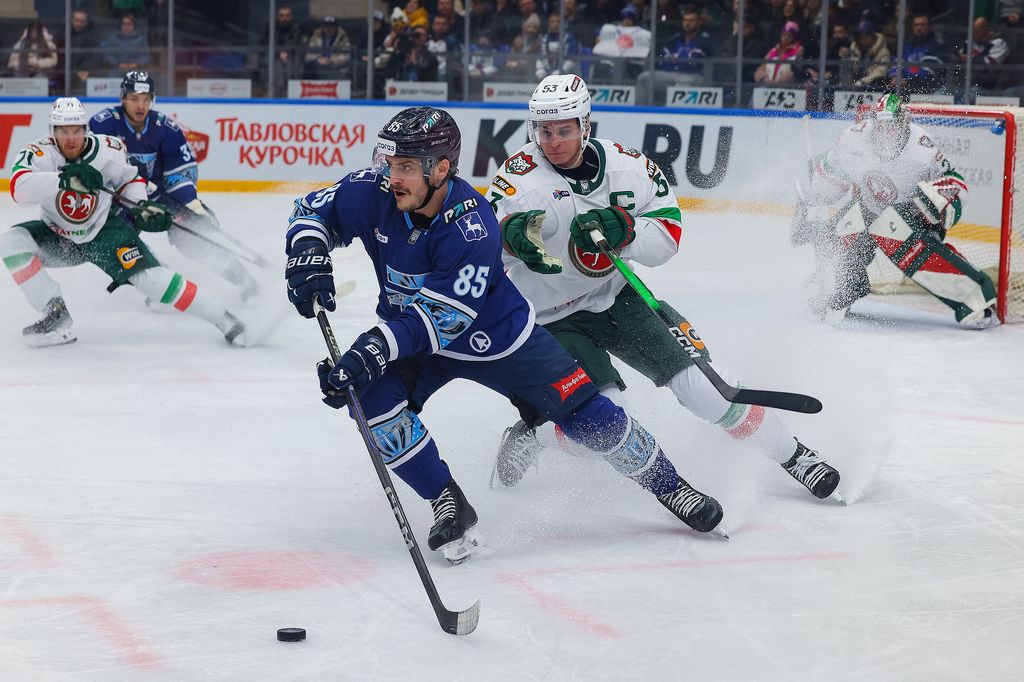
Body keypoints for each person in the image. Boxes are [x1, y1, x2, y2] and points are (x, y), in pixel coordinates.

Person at [284, 107, 727, 564]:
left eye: (406, 167)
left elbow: (445, 318)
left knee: (591, 418)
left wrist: (375, 347)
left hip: (498, 339)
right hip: (413, 340)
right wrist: (308, 251)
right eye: (391, 164)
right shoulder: (373, 191)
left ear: (440, 169)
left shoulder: (471, 223)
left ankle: (672, 487)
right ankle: (446, 500)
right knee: (369, 400)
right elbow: (312, 210)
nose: (392, 177)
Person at [486, 74, 840, 503]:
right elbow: (487, 247)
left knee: (708, 390)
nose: (553, 141)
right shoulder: (518, 180)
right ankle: (535, 436)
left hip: (619, 296)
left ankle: (793, 455)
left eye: (564, 130)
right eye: (545, 131)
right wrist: (509, 241)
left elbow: (668, 235)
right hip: (552, 320)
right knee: (602, 427)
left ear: (585, 125)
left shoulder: (628, 167)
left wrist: (629, 231)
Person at [0, 97, 246, 348]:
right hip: (58, 237)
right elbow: (19, 188)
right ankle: (55, 315)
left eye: (76, 131)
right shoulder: (38, 153)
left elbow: (130, 179)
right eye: (64, 131)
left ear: (86, 129)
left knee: (152, 280)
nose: (71, 138)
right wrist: (62, 180)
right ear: (52, 131)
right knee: (9, 242)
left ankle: (223, 318)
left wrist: (140, 207)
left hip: (103, 232)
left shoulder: (109, 149)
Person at [791, 93, 997, 328]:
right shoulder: (854, 138)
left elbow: (953, 181)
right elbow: (831, 173)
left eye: (892, 126)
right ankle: (840, 288)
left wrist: (941, 199)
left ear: (904, 123)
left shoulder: (923, 147)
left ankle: (976, 300)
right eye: (881, 127)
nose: (886, 133)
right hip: (867, 209)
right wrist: (816, 198)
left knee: (897, 233)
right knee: (840, 237)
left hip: (914, 217)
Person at [90, 72, 261, 302]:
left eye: (146, 99)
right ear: (123, 98)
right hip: (118, 200)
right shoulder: (102, 124)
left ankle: (244, 281)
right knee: (120, 241)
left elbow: (179, 172)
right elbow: (94, 167)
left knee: (191, 236)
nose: (141, 105)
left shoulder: (165, 128)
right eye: (134, 98)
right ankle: (160, 282)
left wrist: (192, 205)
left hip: (156, 196)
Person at [754, 20, 804, 86]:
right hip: (768, 87)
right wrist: (764, 79)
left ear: (794, 38)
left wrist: (779, 82)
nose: (786, 38)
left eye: (789, 36)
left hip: (788, 88)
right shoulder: (773, 50)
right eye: (784, 35)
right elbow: (759, 71)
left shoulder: (799, 51)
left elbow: (799, 73)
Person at [304, 16, 352, 80]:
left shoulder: (342, 38)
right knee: (309, 68)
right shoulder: (315, 37)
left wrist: (331, 61)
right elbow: (308, 55)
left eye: (331, 26)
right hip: (318, 67)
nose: (328, 29)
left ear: (335, 28)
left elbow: (346, 56)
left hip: (336, 69)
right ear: (322, 27)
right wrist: (318, 60)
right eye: (326, 26)